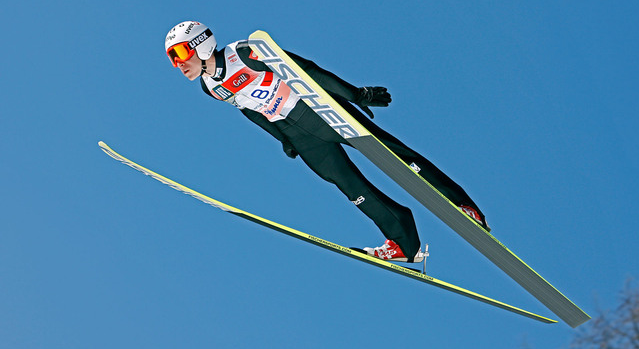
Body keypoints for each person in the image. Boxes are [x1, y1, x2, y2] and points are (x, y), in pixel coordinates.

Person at [165, 20, 488, 263]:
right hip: (297, 132)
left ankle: (461, 205)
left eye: (180, 53)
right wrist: (282, 139)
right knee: (350, 187)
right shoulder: (211, 88)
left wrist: (355, 94)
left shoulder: (244, 53)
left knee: (393, 155)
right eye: (172, 59)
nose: (178, 64)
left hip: (315, 109)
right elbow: (251, 111)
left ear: (201, 44)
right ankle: (404, 243)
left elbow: (306, 70)